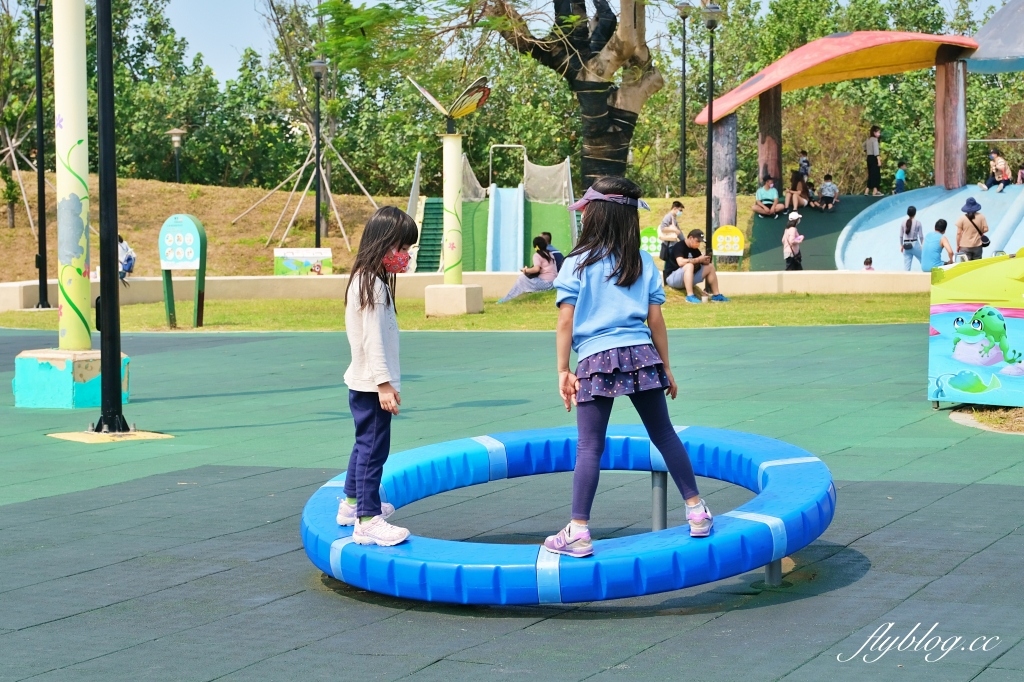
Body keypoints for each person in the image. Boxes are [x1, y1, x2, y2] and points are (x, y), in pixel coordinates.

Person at [543, 176, 713, 559]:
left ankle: (579, 531)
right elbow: (656, 321)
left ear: (595, 217)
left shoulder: (576, 264)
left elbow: (565, 323)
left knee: (589, 445)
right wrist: (666, 366)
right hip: (642, 354)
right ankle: (697, 511)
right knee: (664, 434)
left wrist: (562, 369)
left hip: (595, 358)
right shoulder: (642, 262)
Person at [338, 206, 419, 546]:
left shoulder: (365, 280)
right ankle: (367, 519)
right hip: (373, 385)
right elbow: (373, 340)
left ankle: (351, 503)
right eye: (400, 248)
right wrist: (384, 385)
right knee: (374, 450)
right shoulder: (372, 286)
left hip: (363, 382)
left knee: (364, 445)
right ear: (382, 243)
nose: (404, 256)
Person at [663, 229, 729, 304]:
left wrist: (705, 260)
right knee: (689, 266)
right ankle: (690, 296)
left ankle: (716, 295)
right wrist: (698, 259)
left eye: (700, 242)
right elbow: (680, 262)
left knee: (710, 267)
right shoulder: (679, 246)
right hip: (673, 278)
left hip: (687, 278)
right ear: (691, 238)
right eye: (697, 241)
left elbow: (700, 260)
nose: (698, 244)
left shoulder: (695, 250)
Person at [497, 236, 558, 303]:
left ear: (535, 246)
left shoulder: (537, 255)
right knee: (523, 279)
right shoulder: (550, 254)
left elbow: (536, 269)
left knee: (522, 278)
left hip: (545, 283)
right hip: (553, 283)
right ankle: (508, 298)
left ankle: (507, 299)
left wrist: (526, 270)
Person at [955, 197, 988, 261]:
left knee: (965, 267)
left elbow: (958, 233)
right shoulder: (981, 216)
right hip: (977, 245)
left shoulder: (962, 218)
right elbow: (986, 229)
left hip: (964, 246)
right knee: (977, 266)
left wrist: (958, 245)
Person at [899, 206, 923, 271]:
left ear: (907, 213)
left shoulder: (903, 222)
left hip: (906, 245)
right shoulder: (918, 223)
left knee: (906, 267)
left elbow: (901, 236)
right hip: (915, 244)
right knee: (923, 260)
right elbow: (921, 236)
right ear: (915, 213)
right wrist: (922, 245)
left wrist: (901, 245)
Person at [864, 125, 882, 196]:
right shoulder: (875, 140)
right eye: (878, 132)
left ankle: (867, 191)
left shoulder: (868, 139)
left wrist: (866, 150)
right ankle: (875, 191)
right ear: (874, 132)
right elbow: (876, 151)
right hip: (874, 158)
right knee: (876, 174)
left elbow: (863, 145)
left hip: (869, 158)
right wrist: (878, 160)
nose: (879, 134)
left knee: (871, 174)